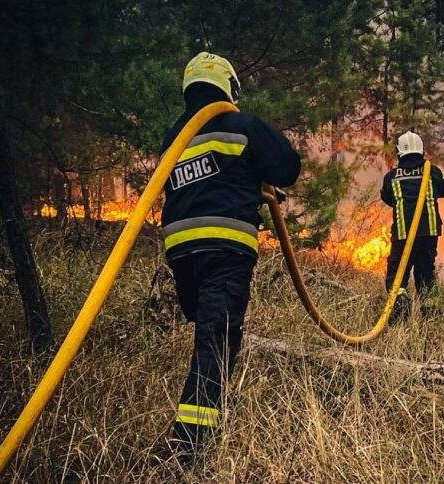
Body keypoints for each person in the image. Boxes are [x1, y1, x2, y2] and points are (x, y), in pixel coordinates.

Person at [159, 52, 301, 456]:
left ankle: (204, 409)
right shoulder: (241, 125)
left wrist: (247, 182)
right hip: (225, 246)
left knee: (207, 329)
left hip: (181, 251)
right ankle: (192, 443)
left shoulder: (175, 137)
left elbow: (197, 183)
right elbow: (287, 166)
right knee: (216, 340)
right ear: (228, 86)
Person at [380, 131, 444, 319]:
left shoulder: (392, 177)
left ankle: (400, 308)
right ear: (421, 151)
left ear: (399, 153)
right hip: (428, 234)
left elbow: (387, 198)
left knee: (397, 274)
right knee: (426, 274)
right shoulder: (432, 172)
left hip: (403, 235)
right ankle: (431, 316)